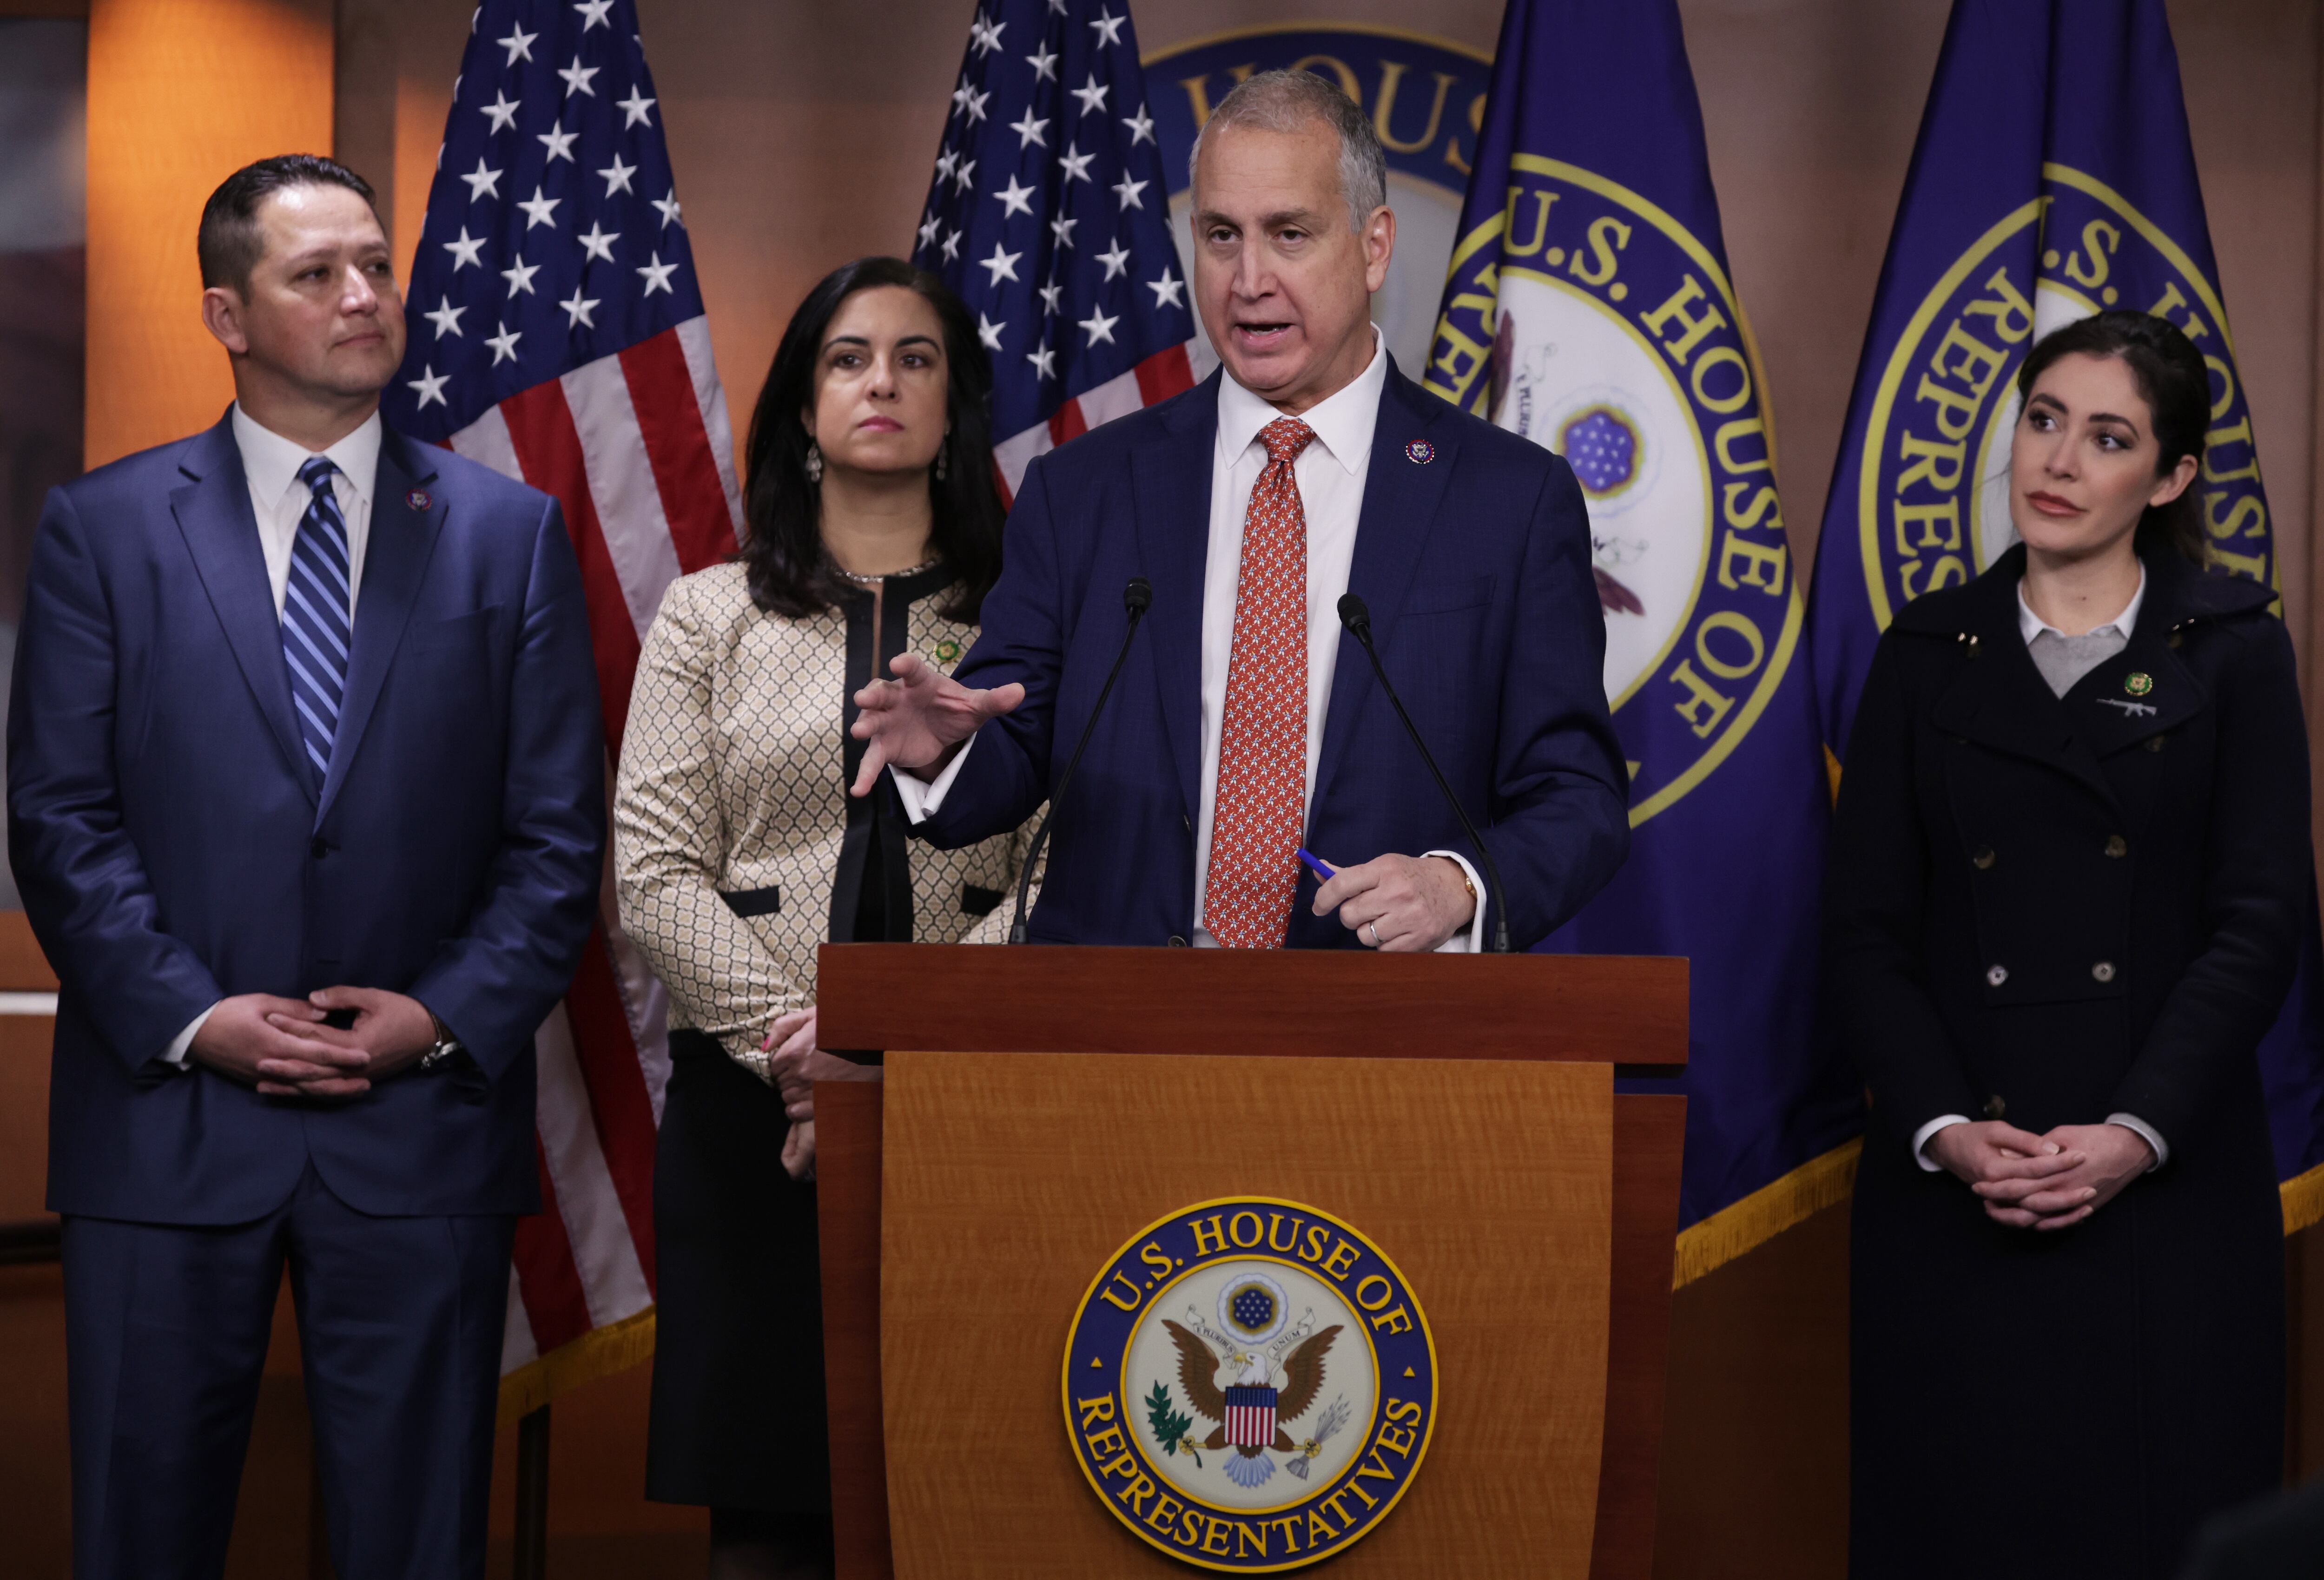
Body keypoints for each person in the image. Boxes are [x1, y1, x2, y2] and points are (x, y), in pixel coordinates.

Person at [7, 155, 605, 1579]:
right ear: (226, 312)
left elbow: (554, 836)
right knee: (141, 1537)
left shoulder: (506, 535)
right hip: (164, 1129)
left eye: (378, 267)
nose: (364, 298)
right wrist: (199, 1016)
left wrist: (440, 1017)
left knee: (417, 1546)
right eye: (315, 274)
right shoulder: (102, 528)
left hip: (421, 1137)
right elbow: (59, 818)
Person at [848, 69, 1627, 952]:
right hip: (1119, 1042)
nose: (1249, 279)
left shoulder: (1509, 500)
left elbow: (1578, 798)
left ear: (1374, 248)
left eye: (1289, 234)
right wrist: (940, 752)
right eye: (1222, 236)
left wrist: (1459, 884)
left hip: (1387, 1044)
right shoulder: (1082, 490)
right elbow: (1013, 744)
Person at [1828, 309, 2310, 1578]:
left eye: (2108, 438)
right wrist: (1941, 1128)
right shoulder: (1927, 653)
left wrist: (2130, 1134)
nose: (2058, 460)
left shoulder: (2238, 653)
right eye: (2044, 421)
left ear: (2169, 480)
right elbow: (1864, 932)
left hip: (2165, 1197)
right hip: (1957, 1197)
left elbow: (2261, 930)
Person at [615, 256, 1035, 1580]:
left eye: (917, 360)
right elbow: (652, 866)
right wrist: (805, 1058)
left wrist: (896, 1043)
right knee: (768, 1517)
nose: (882, 385)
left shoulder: (1032, 617)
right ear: (803, 405)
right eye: (850, 359)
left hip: (970, 1103)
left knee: (969, 1488)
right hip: (753, 1115)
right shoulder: (708, 614)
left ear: (956, 405)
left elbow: (1057, 874)